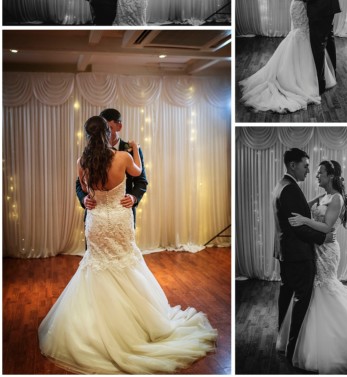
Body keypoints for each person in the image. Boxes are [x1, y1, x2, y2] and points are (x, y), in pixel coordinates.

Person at [39, 117, 217, 373]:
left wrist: (91, 199)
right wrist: (134, 149)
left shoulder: (82, 161)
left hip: (97, 221)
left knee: (97, 266)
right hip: (119, 218)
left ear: (88, 136)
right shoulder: (122, 157)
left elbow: (85, 187)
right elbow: (138, 171)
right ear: (107, 131)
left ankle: (94, 329)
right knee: (124, 264)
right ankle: (135, 327)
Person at [278, 159, 347, 373]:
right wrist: (301, 212)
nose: (316, 175)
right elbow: (305, 207)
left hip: (328, 251)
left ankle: (340, 341)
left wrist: (304, 220)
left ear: (330, 176)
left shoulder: (337, 198)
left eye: (320, 172)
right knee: (312, 287)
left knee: (325, 286)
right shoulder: (324, 196)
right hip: (315, 247)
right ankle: (303, 338)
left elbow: (326, 226)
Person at [239, 0, 336, 113]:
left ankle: (312, 76)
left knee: (307, 37)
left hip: (306, 6)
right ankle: (295, 78)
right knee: (299, 35)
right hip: (299, 6)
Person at [272, 148, 333, 366]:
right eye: (306, 166)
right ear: (293, 165)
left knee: (286, 296)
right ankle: (294, 348)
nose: (309, 171)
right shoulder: (291, 189)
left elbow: (292, 219)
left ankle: (283, 339)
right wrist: (321, 238)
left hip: (285, 253)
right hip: (298, 255)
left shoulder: (282, 185)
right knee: (301, 299)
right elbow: (296, 227)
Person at [76, 108, 147, 226]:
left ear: (119, 126)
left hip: (122, 215)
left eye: (109, 128)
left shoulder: (129, 152)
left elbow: (141, 181)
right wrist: (84, 199)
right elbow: (79, 183)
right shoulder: (87, 157)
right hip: (95, 216)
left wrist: (133, 197)